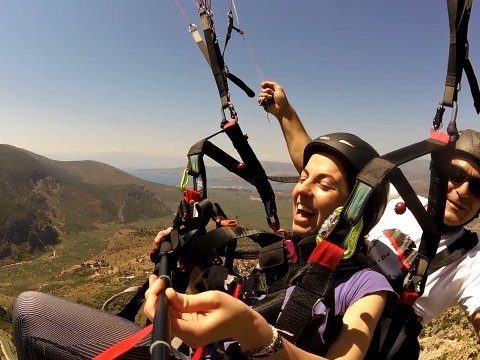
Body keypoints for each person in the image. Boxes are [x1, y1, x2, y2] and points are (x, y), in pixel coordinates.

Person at [13, 131, 395, 359]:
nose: (301, 191)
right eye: (303, 177)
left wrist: (258, 335)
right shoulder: (288, 256)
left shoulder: (367, 286)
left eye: (324, 185)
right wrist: (184, 271)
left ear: (355, 210)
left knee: (32, 312)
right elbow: (233, 303)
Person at [258, 80, 480, 356]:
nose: (463, 192)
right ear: (439, 176)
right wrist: (285, 113)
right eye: (456, 176)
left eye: (478, 188)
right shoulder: (402, 199)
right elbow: (325, 174)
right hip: (322, 299)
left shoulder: (471, 260)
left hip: (373, 340)